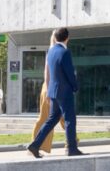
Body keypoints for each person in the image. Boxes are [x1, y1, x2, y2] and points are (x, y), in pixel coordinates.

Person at [27, 27, 84, 158]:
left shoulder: (51, 51)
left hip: (53, 91)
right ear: (67, 38)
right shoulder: (65, 52)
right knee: (70, 119)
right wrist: (75, 86)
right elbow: (69, 73)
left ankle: (35, 145)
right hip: (64, 91)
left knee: (51, 120)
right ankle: (72, 149)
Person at [31, 33, 66, 154]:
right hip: (51, 89)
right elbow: (47, 72)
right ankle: (35, 146)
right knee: (46, 118)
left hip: (53, 88)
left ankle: (71, 144)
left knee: (63, 118)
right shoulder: (53, 52)